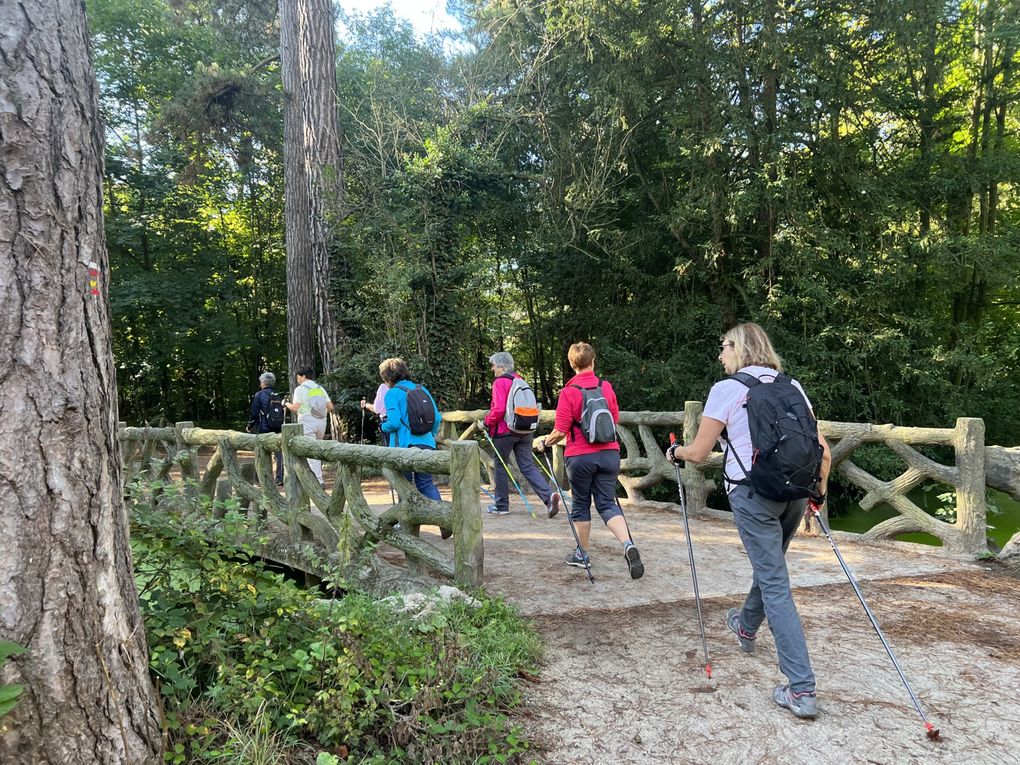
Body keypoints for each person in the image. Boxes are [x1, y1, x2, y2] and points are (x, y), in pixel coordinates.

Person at [665, 322, 831, 720]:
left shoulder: (726, 390)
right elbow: (821, 449)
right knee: (769, 567)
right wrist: (818, 495)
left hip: (752, 494)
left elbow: (701, 452)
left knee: (774, 581)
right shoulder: (792, 387)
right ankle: (745, 625)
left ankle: (801, 688)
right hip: (794, 493)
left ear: (738, 348)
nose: (720, 354)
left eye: (723, 347)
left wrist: (677, 453)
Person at [536, 342, 643, 579]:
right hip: (609, 455)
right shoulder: (606, 387)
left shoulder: (569, 392)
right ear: (593, 362)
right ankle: (627, 545)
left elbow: (561, 430)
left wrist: (544, 441)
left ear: (572, 365)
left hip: (580, 457)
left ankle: (582, 554)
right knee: (606, 503)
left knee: (581, 504)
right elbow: (613, 418)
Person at [482, 352, 559, 517]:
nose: (492, 369)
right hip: (525, 429)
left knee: (501, 466)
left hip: (505, 431)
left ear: (502, 367)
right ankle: (548, 496)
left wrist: (487, 421)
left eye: (494, 365)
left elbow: (499, 409)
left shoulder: (500, 382)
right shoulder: (521, 380)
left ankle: (501, 505)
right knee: (527, 465)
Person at [378, 358, 443, 504]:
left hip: (403, 446)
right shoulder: (421, 389)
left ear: (387, 377)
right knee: (426, 483)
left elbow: (394, 422)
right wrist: (429, 435)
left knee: (404, 486)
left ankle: (406, 525)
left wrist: (382, 427)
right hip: (426, 443)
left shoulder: (392, 393)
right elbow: (437, 418)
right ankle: (443, 520)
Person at [284, 367, 334, 486]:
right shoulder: (319, 388)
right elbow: (330, 407)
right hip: (321, 421)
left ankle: (317, 480)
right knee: (317, 450)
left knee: (310, 450)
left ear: (303, 376)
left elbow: (295, 408)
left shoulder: (300, 389)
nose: (297, 380)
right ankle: (317, 477)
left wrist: (285, 404)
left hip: (306, 420)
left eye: (298, 377)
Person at [246, 371, 284, 485]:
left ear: (264, 382)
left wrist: (250, 425)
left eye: (260, 382)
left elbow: (254, 413)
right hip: (277, 427)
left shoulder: (259, 395)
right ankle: (280, 478)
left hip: (264, 428)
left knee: (261, 451)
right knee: (278, 454)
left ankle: (260, 479)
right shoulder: (277, 394)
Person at [360, 380, 390, 445]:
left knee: (391, 450)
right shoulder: (405, 386)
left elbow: (377, 409)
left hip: (388, 421)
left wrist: (366, 405)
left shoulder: (384, 387)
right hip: (405, 421)